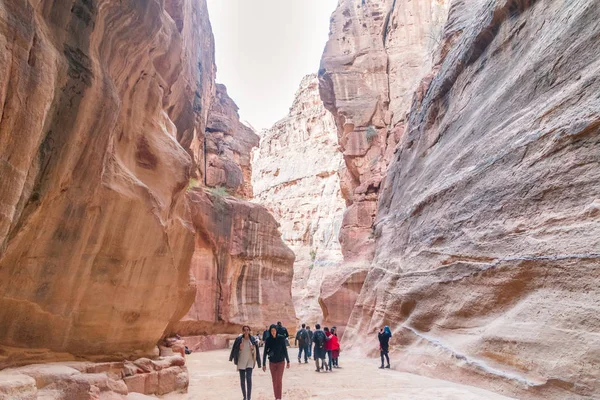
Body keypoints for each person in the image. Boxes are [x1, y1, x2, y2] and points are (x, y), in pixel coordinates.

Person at [230, 325, 261, 400]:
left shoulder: (253, 339)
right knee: (242, 380)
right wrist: (239, 350)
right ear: (243, 331)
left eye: (247, 330)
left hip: (249, 361)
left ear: (249, 331)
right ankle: (244, 396)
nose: (246, 331)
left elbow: (256, 352)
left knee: (249, 378)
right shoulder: (239, 339)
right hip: (241, 361)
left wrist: (259, 362)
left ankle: (249, 397)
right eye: (245, 330)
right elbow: (234, 349)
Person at [262, 324, 290, 400]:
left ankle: (279, 397)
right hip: (272, 362)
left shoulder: (281, 338)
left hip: (281, 362)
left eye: (274, 330)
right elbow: (265, 352)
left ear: (276, 331)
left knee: (279, 380)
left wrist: (288, 361)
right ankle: (276, 397)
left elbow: (285, 350)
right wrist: (263, 363)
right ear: (270, 331)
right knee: (274, 380)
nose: (273, 332)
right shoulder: (268, 340)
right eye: (272, 331)